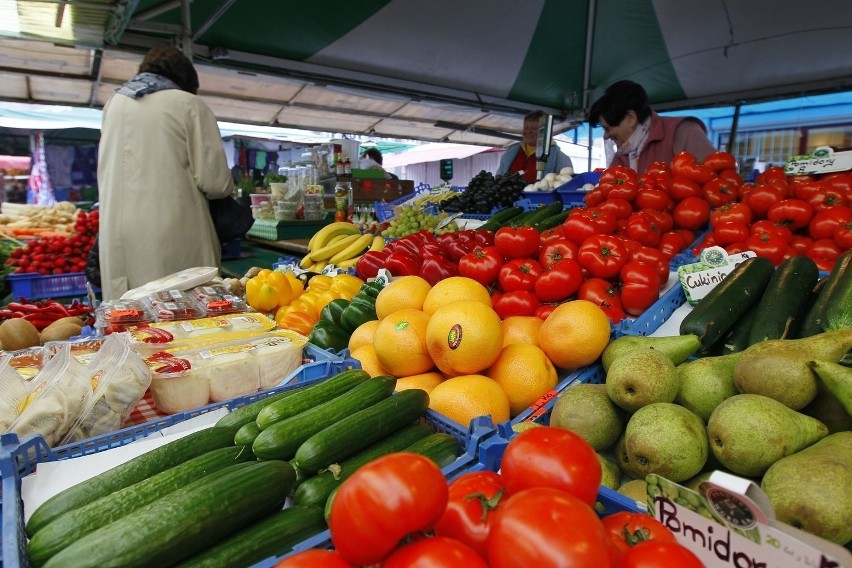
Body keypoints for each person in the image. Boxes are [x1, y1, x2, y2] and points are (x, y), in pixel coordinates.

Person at [97, 45, 235, 300]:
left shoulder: (113, 105)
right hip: (174, 235)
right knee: (181, 318)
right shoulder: (188, 104)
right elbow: (215, 183)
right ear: (186, 80)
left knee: (126, 318)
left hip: (116, 236)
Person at [588, 80, 717, 174]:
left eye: (608, 129)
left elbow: (717, 182)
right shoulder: (622, 154)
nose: (606, 136)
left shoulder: (684, 132)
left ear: (630, 118)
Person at [496, 110, 573, 183]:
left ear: (545, 131)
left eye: (534, 128)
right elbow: (498, 179)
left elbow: (565, 184)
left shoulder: (559, 158)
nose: (529, 131)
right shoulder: (509, 154)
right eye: (526, 127)